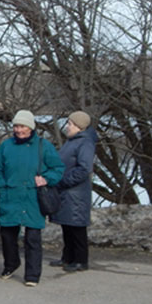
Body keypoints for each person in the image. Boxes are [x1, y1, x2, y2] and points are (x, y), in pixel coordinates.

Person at [0, 110, 64, 287]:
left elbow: (58, 168)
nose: (18, 130)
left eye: (22, 126)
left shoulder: (43, 146)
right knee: (8, 236)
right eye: (16, 126)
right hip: (10, 196)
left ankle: (32, 275)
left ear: (31, 127)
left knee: (33, 239)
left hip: (33, 197)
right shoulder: (6, 146)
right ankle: (11, 264)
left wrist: (46, 179)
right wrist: (1, 186)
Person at [50, 111, 97, 272]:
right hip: (66, 192)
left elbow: (84, 168)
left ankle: (80, 260)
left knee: (77, 227)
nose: (67, 127)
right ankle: (68, 257)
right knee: (67, 225)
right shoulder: (72, 141)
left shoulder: (85, 143)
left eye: (70, 124)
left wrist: (65, 181)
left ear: (79, 126)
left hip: (76, 192)